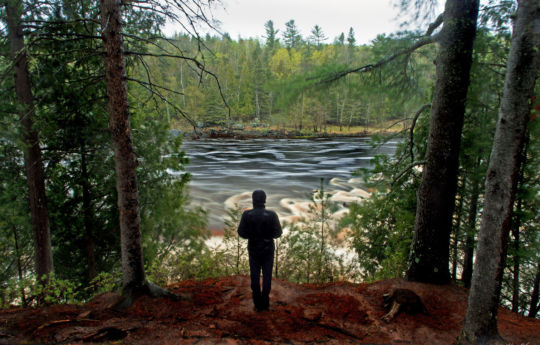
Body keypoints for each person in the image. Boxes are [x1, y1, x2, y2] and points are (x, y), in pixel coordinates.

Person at [237, 190, 282, 311]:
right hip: (268, 249)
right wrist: (268, 235)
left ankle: (257, 304)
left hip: (253, 249)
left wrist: (251, 235)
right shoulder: (272, 214)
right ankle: (265, 303)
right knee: (267, 276)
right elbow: (278, 233)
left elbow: (241, 233)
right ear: (264, 200)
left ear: (253, 200)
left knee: (255, 276)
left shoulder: (247, 215)